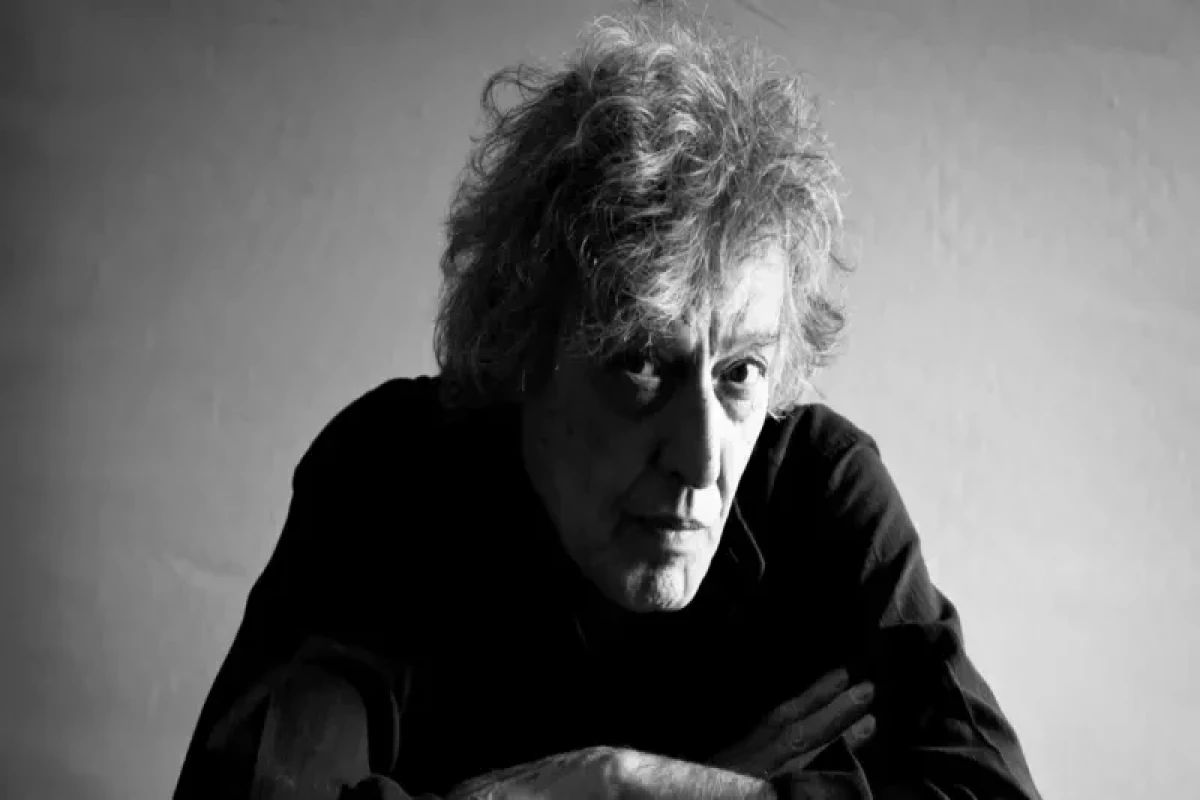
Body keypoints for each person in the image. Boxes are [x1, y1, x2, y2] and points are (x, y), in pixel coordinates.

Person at [173, 2, 1043, 799]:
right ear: (525, 351)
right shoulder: (390, 474)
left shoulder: (822, 490)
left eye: (741, 372)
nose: (701, 459)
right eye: (641, 364)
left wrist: (636, 786)